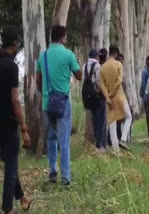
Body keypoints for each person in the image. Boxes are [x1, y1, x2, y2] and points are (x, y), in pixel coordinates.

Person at [36, 25, 82, 185]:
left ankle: (53, 172)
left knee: (51, 138)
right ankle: (66, 177)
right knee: (64, 141)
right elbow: (79, 76)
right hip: (63, 103)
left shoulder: (43, 56)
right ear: (62, 37)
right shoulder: (68, 54)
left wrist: (46, 94)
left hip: (47, 104)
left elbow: (38, 80)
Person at [0, 27, 33, 214]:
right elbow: (15, 100)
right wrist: (24, 128)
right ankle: (7, 209)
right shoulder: (11, 67)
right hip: (9, 122)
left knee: (10, 163)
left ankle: (22, 199)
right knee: (11, 166)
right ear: (15, 45)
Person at [100, 45, 132, 152]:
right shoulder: (118, 64)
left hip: (109, 99)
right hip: (119, 96)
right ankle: (123, 139)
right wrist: (113, 92)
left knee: (112, 122)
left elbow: (102, 84)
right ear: (116, 54)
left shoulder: (103, 67)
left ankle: (116, 150)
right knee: (128, 117)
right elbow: (119, 81)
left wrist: (108, 97)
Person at [82, 49, 107, 151]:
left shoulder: (84, 66)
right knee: (100, 121)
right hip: (97, 96)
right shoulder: (97, 66)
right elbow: (99, 82)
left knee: (94, 120)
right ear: (96, 57)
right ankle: (99, 145)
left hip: (88, 97)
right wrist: (103, 94)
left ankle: (97, 142)